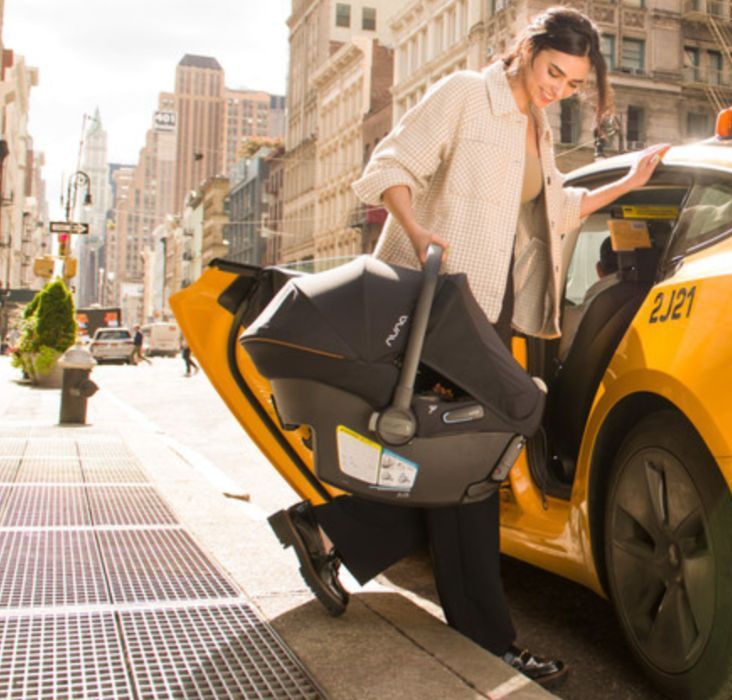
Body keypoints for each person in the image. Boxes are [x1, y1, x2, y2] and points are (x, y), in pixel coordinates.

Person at [272, 5, 667, 688]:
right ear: (524, 49)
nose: (559, 89)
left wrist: (625, 185)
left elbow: (550, 210)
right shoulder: (464, 94)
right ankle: (485, 637)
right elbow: (391, 161)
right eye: (553, 72)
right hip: (437, 304)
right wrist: (415, 226)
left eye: (572, 83)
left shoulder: (536, 128)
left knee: (456, 465)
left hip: (491, 312)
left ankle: (331, 532)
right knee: (485, 449)